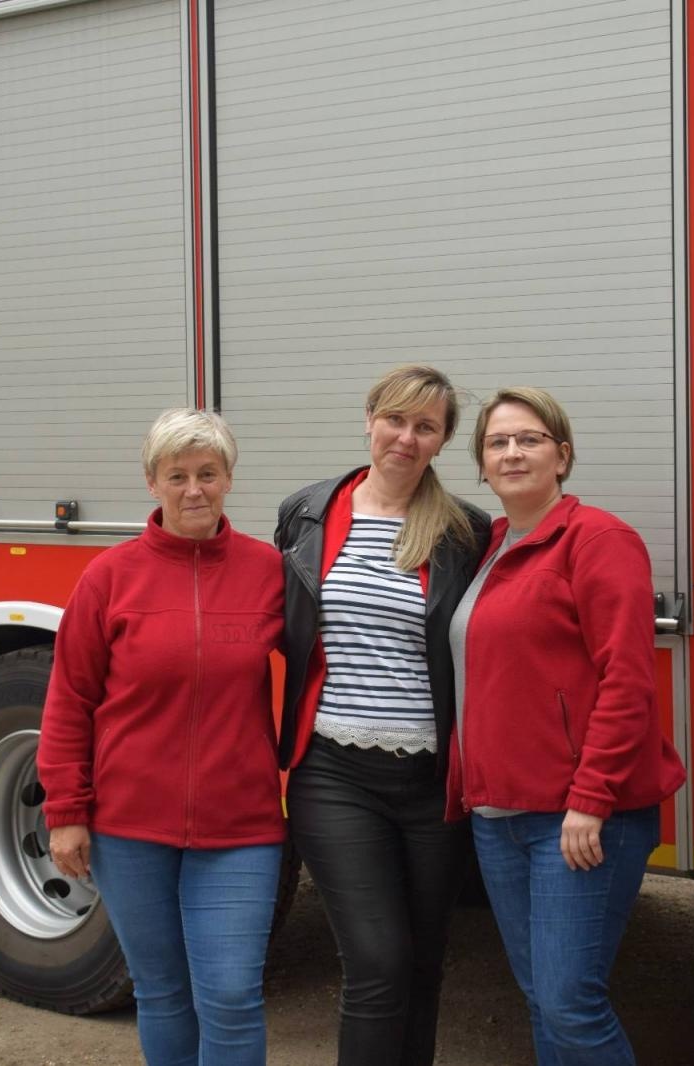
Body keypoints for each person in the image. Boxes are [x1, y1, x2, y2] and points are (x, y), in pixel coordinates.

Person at [37, 408, 285, 1066]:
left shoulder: (267, 571)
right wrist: (66, 810)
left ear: (229, 478)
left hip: (241, 827)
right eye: (177, 476)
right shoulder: (109, 578)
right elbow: (70, 700)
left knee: (231, 995)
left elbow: (321, 669)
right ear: (153, 482)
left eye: (208, 473)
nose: (194, 490)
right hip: (129, 827)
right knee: (162, 991)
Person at [448, 386, 686, 1066]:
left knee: (569, 1003)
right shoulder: (493, 545)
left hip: (579, 818)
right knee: (541, 1000)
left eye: (529, 439)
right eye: (497, 443)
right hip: (499, 817)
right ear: (482, 464)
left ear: (562, 455)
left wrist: (591, 798)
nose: (512, 452)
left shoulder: (599, 540)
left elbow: (628, 680)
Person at [276, 365, 491, 1066]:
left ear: (442, 442)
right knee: (377, 962)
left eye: (425, 426)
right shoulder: (307, 513)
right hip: (335, 775)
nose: (405, 437)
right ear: (369, 419)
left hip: (432, 783)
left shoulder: (465, 530)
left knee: (424, 964)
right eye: (395, 419)